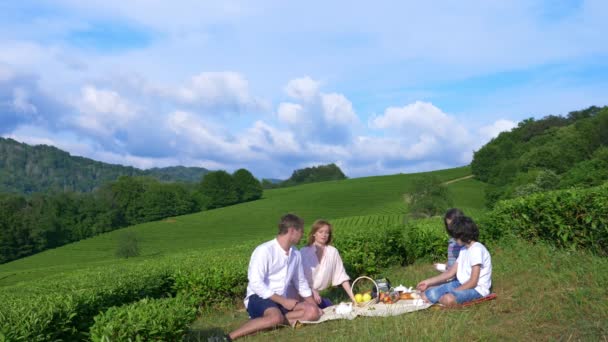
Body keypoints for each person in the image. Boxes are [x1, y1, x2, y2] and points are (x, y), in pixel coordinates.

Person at [223, 214, 322, 341]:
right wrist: (283, 301)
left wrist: (316, 307)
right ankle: (228, 337)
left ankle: (271, 324)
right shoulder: (264, 250)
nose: (302, 234)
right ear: (292, 230)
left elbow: (301, 283)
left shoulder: (296, 254)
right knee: (275, 317)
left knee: (312, 312)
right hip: (259, 297)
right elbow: (256, 283)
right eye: (301, 231)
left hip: (281, 300)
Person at [417, 216, 492, 307]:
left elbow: (473, 282)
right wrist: (428, 282)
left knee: (447, 299)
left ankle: (442, 298)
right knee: (425, 295)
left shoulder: (477, 249)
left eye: (456, 236)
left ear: (463, 234)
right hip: (461, 283)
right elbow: (450, 273)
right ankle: (440, 297)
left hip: (477, 289)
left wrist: (453, 291)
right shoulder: (464, 250)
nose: (454, 238)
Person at [299, 220, 357, 307]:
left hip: (316, 297)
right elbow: (298, 278)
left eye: (327, 232)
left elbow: (342, 276)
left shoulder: (333, 252)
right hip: (301, 293)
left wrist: (353, 298)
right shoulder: (303, 252)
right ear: (314, 233)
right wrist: (312, 290)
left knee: (328, 306)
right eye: (320, 232)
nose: (324, 235)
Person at [434, 208, 465, 273]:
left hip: (457, 276)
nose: (450, 228)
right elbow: (453, 260)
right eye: (448, 225)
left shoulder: (464, 241)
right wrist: (444, 266)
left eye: (452, 224)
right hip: (451, 273)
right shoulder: (452, 240)